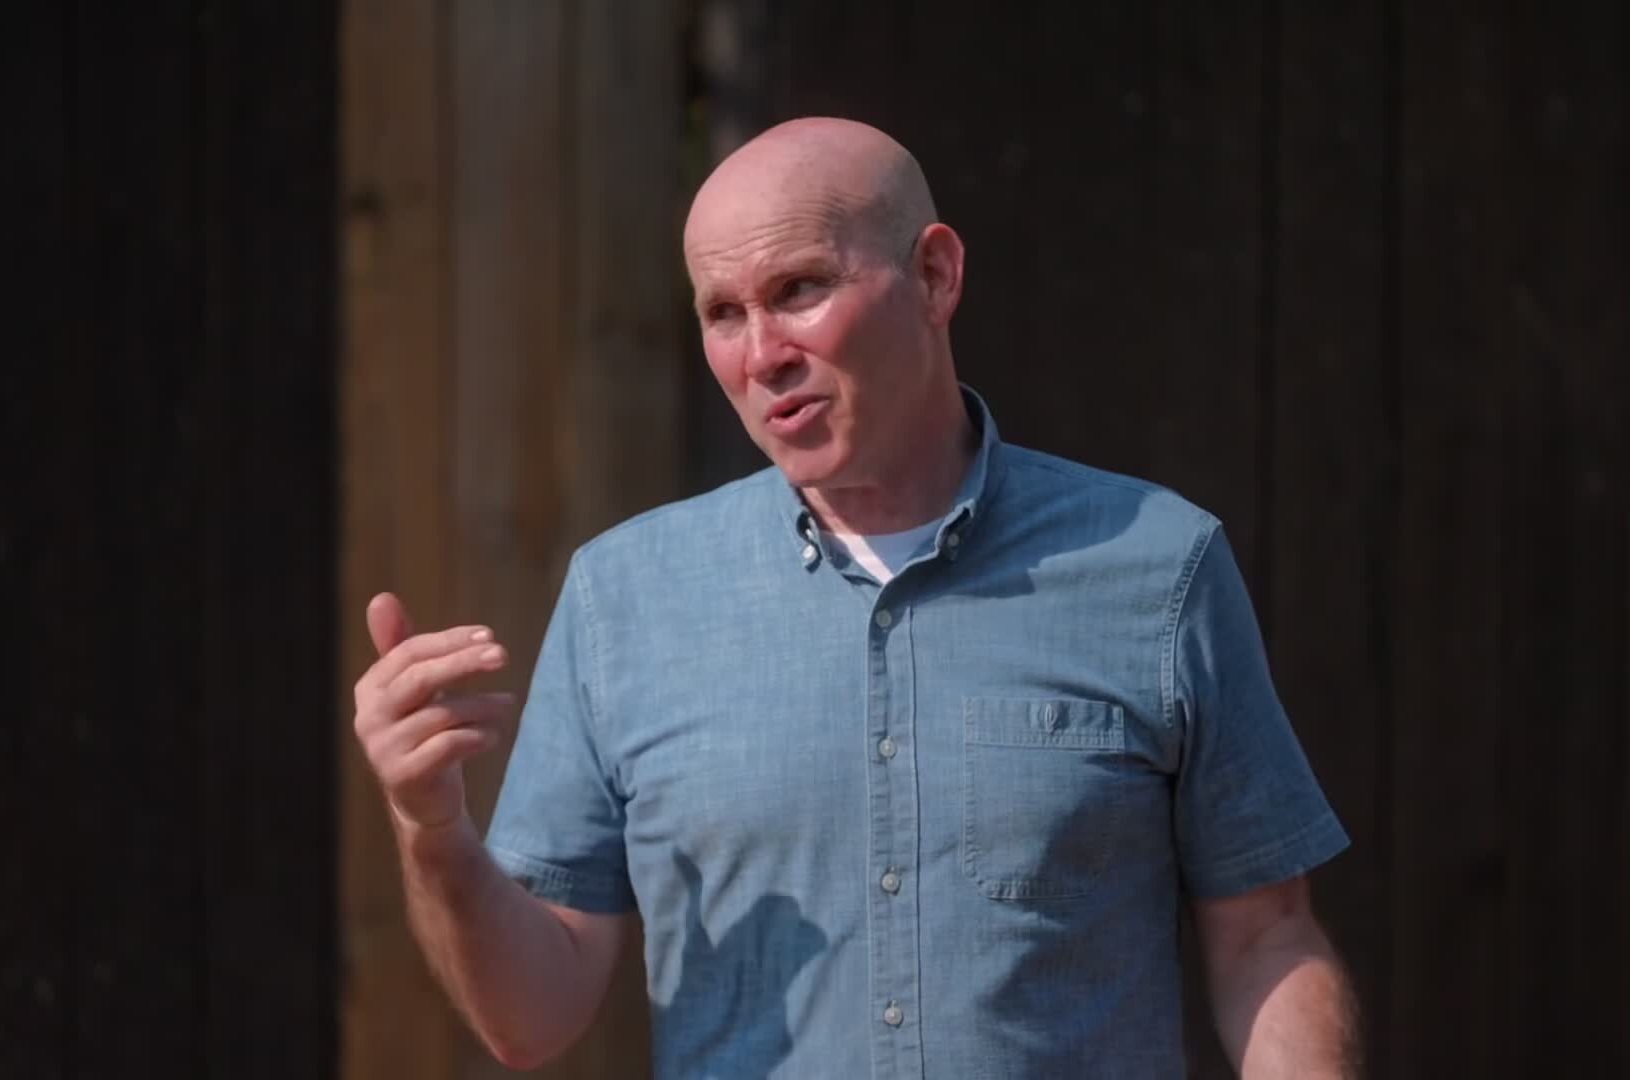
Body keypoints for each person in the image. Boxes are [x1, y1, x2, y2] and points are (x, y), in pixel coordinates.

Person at [352, 117, 1361, 1078]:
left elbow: (1264, 938)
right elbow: (530, 1018)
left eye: (798, 289)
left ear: (935, 275)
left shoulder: (1154, 564)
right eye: (722, 313)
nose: (762, 355)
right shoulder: (625, 598)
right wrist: (432, 832)